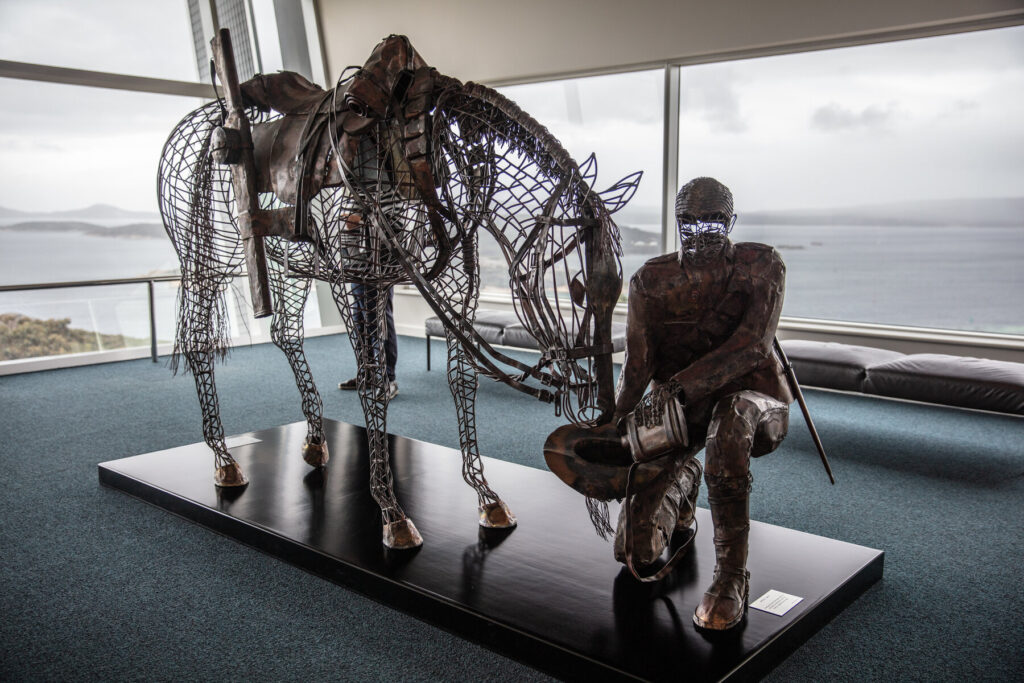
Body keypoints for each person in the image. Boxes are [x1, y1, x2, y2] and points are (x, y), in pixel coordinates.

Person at [611, 177, 793, 630]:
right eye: (689, 222)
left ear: (730, 222)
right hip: (683, 409)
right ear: (677, 224)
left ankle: (732, 574)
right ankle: (686, 476)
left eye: (713, 221)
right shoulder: (651, 281)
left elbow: (752, 346)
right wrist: (615, 421)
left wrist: (680, 386)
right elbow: (638, 365)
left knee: (728, 428)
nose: (702, 231)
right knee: (633, 552)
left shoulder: (762, 265)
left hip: (754, 402)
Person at [337, 212, 398, 400]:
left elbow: (394, 220)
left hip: (380, 263)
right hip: (356, 262)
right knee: (360, 322)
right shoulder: (351, 191)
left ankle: (388, 379)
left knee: (379, 321)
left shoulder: (384, 190)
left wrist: (362, 219)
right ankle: (368, 374)